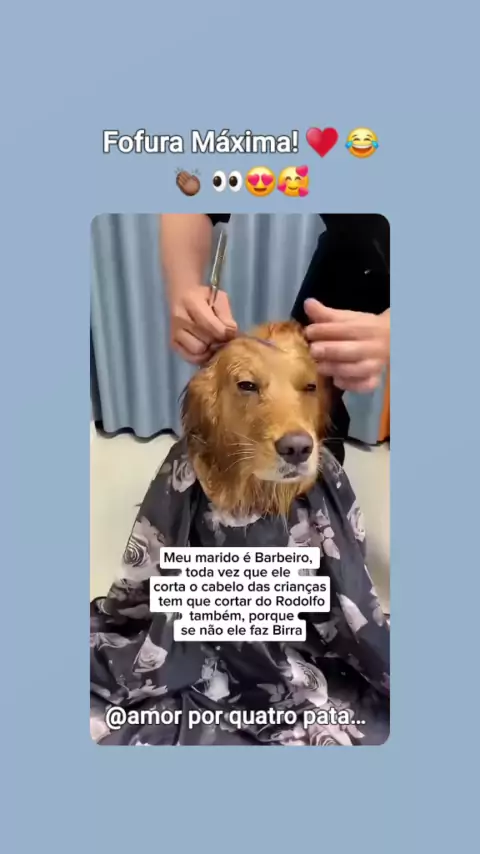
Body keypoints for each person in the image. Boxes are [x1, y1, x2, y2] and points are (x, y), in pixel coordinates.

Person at [160, 213, 390, 465]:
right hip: (349, 254)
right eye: (248, 386)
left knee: (319, 401)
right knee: (298, 370)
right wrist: (184, 289)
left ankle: (318, 479)